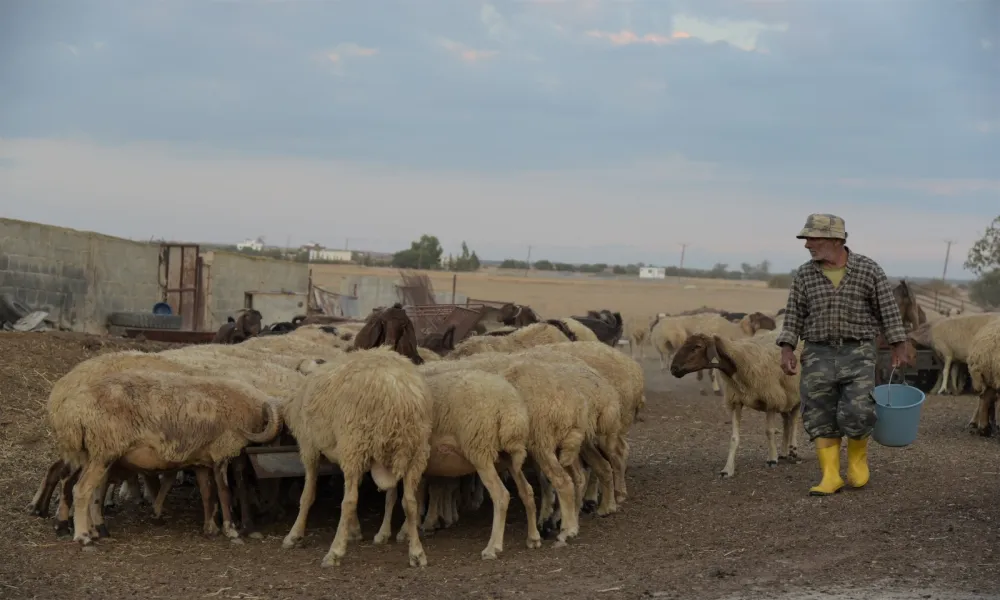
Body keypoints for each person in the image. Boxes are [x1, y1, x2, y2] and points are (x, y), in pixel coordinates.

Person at [775, 213, 910, 496]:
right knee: (818, 412)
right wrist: (787, 348)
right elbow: (794, 314)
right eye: (806, 239)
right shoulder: (804, 274)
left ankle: (858, 463)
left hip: (858, 352)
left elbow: (887, 310)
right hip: (817, 353)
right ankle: (830, 475)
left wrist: (898, 344)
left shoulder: (868, 270)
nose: (807, 245)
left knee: (859, 410)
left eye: (813, 238)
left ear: (836, 239)